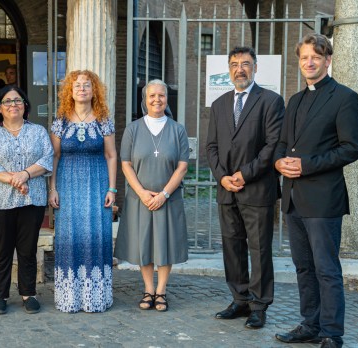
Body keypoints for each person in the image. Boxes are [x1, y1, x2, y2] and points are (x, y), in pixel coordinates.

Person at [273, 34, 358, 348]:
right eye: (304, 58)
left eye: (316, 57)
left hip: (324, 199)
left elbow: (352, 148)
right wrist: (279, 162)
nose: (309, 62)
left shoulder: (345, 97)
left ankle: (331, 333)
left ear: (327, 60)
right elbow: (283, 144)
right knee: (303, 267)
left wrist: (306, 165)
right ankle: (310, 324)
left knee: (326, 269)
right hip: (294, 197)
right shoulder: (295, 100)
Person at [206, 47, 285, 329]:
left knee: (259, 249)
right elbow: (211, 147)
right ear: (229, 69)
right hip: (227, 190)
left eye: (246, 64)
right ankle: (239, 299)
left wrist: (244, 174)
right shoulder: (219, 104)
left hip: (257, 189)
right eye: (234, 64)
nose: (240, 69)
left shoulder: (271, 101)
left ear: (255, 67)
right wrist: (223, 178)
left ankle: (259, 305)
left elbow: (272, 146)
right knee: (232, 246)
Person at [114, 79, 189, 312]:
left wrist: (164, 194)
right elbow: (125, 164)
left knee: (165, 244)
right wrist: (143, 193)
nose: (157, 100)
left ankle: (161, 290)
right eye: (152, 96)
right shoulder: (133, 129)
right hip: (140, 199)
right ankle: (148, 289)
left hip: (169, 198)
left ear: (166, 99)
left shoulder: (178, 130)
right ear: (145, 100)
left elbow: (182, 166)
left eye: (161, 96)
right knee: (144, 245)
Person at [0, 85, 53, 315]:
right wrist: (15, 179)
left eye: (18, 100)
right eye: (8, 101)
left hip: (33, 198)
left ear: (25, 106)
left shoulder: (38, 132)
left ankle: (28, 293)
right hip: (0, 201)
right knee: (2, 249)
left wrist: (26, 174)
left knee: (27, 249)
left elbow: (48, 157)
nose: (13, 105)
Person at [48, 70, 117, 313]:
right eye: (77, 85)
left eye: (86, 85)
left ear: (94, 90)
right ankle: (70, 297)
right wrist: (52, 188)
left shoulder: (104, 119)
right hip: (67, 185)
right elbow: (54, 156)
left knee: (95, 235)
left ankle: (95, 296)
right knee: (70, 237)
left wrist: (112, 188)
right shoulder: (61, 120)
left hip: (97, 184)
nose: (81, 89)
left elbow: (111, 155)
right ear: (70, 90)